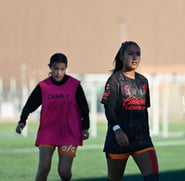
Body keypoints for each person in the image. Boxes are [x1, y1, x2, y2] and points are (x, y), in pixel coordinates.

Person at [15, 53, 90, 181]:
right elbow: (29, 105)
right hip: (48, 132)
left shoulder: (75, 85)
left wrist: (85, 128)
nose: (58, 72)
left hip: (69, 133)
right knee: (43, 167)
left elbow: (84, 108)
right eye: (55, 69)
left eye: (62, 69)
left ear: (66, 68)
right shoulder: (43, 86)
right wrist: (22, 121)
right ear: (50, 67)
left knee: (64, 172)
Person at [101, 41, 159, 181]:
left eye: (138, 54)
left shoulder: (143, 81)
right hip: (118, 140)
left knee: (153, 179)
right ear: (122, 56)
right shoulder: (115, 80)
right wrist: (117, 129)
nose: (135, 57)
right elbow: (109, 108)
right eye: (130, 54)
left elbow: (144, 110)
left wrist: (145, 132)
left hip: (142, 140)